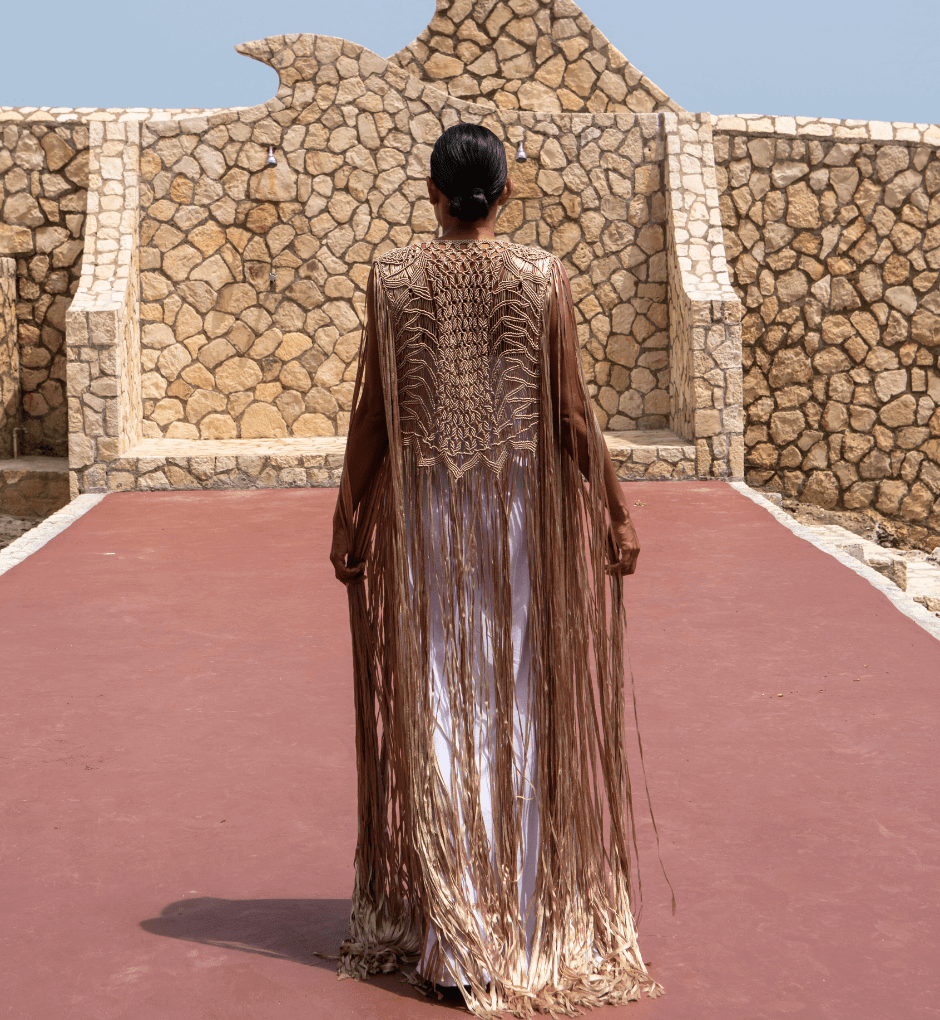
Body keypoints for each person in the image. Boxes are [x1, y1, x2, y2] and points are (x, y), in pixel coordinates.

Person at [330, 122, 661, 1017]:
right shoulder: (543, 277)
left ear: (431, 193)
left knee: (439, 692)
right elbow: (570, 415)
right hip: (517, 518)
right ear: (504, 195)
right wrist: (614, 513)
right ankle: (512, 921)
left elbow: (373, 418)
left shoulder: (392, 281)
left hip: (430, 517)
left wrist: (349, 516)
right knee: (515, 698)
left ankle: (452, 940)